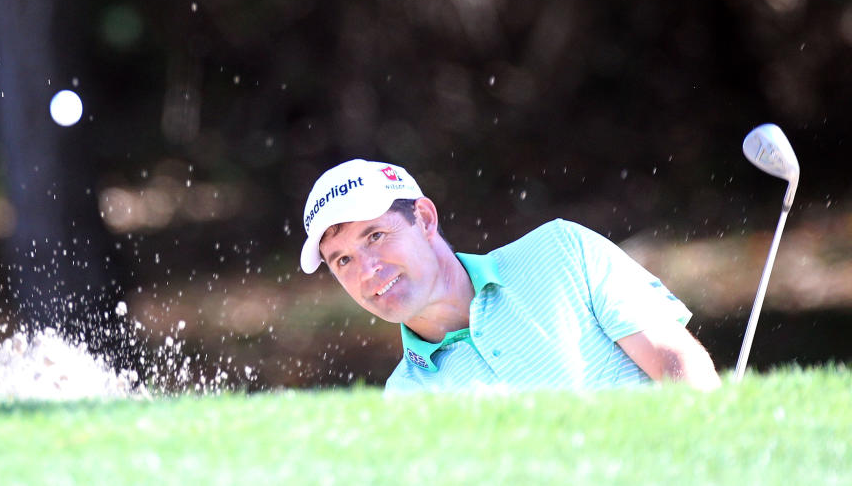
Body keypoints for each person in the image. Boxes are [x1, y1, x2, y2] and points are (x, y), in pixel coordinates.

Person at [300, 159, 721, 392]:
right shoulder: (408, 397)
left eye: (375, 235)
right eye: (342, 261)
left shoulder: (561, 251)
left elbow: (676, 360)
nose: (367, 271)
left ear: (425, 219)